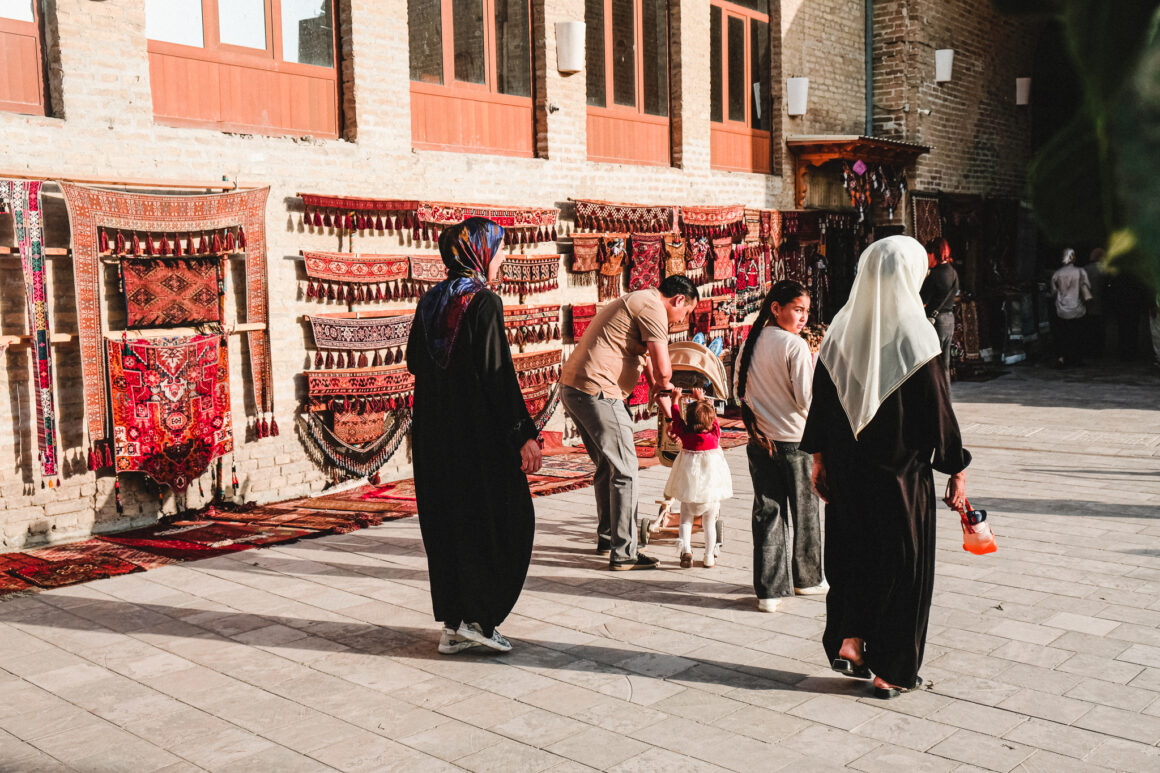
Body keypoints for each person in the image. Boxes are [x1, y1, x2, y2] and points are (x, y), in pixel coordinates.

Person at [800, 235, 971, 699]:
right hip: (899, 479)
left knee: (853, 557)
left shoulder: (839, 330)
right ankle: (891, 670)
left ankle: (851, 642)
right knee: (902, 568)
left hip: (847, 474)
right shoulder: (917, 335)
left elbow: (822, 405)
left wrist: (818, 460)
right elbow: (938, 413)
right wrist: (955, 469)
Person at [407, 218, 542, 655]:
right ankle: (481, 619)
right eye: (500, 249)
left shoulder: (430, 301)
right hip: (476, 436)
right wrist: (523, 433)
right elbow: (497, 373)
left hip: (433, 435)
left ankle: (454, 622)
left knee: (448, 521)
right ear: (480, 252)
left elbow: (413, 361)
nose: (503, 256)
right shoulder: (483, 302)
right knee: (502, 518)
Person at [560, 275, 698, 570]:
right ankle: (624, 553)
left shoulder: (640, 301)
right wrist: (668, 389)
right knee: (626, 470)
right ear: (679, 300)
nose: (680, 321)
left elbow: (650, 367)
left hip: (576, 388)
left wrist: (662, 396)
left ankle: (610, 538)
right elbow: (662, 370)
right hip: (598, 391)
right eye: (685, 313)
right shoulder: (654, 308)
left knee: (609, 467)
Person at [736, 280, 824, 613]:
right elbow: (806, 399)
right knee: (805, 514)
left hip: (761, 441)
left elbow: (740, 391)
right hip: (795, 442)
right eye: (797, 310)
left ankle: (769, 592)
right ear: (776, 308)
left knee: (768, 513)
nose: (803, 318)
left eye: (806, 312)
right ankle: (807, 578)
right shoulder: (794, 345)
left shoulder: (752, 342)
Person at [656, 387, 733, 569]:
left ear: (688, 422)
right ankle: (708, 556)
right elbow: (713, 419)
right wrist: (703, 400)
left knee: (685, 520)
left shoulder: (686, 435)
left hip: (689, 491)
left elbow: (676, 420)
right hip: (710, 493)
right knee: (709, 523)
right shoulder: (714, 436)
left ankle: (686, 551)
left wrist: (675, 400)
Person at [920, 238, 959, 381]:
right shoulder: (953, 272)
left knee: (934, 364)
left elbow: (922, 301)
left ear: (934, 253)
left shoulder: (935, 275)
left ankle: (937, 399)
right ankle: (946, 398)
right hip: (949, 319)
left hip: (936, 321)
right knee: (945, 364)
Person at [1051, 248, 1091, 367]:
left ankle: (1063, 358)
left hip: (1061, 309)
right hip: (1077, 309)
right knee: (1077, 335)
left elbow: (1053, 291)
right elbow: (1086, 290)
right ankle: (1076, 359)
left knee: (1063, 335)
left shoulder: (1057, 274)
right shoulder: (1080, 272)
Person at [1083, 247, 1107, 358]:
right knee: (1100, 329)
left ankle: (1089, 350)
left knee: (1089, 329)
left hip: (1088, 303)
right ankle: (1099, 351)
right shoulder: (1105, 269)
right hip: (1101, 302)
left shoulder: (1086, 269)